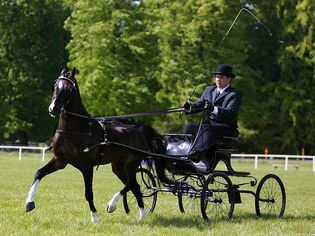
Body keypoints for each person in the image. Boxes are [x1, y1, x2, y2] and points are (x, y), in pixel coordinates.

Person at [182, 64, 242, 164]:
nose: (218, 79)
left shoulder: (235, 94)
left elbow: (231, 113)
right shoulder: (209, 90)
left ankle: (196, 154)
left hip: (226, 127)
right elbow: (199, 104)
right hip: (209, 126)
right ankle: (186, 151)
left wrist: (214, 109)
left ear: (229, 79)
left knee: (207, 128)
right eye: (217, 77)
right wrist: (190, 107)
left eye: (221, 77)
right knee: (189, 127)